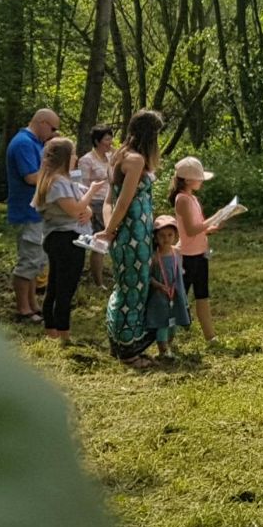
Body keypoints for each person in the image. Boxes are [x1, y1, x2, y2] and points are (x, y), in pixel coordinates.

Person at [97, 108, 166, 370]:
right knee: (135, 291)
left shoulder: (117, 156)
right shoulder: (136, 160)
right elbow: (123, 201)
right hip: (134, 234)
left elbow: (108, 201)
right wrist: (113, 230)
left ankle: (118, 341)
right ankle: (128, 350)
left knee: (124, 287)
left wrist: (109, 229)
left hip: (127, 233)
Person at [35, 136, 93, 340]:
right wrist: (92, 192)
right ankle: (63, 333)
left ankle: (52, 330)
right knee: (64, 288)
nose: (76, 157)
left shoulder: (65, 180)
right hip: (66, 240)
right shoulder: (57, 182)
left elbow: (80, 208)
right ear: (65, 157)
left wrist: (88, 212)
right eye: (74, 153)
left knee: (56, 285)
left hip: (66, 237)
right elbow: (74, 209)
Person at [5, 107, 59, 323]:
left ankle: (33, 306)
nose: (54, 132)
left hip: (37, 213)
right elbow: (31, 177)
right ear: (43, 122)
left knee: (37, 261)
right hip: (27, 212)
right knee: (28, 261)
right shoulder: (23, 143)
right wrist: (58, 176)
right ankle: (23, 310)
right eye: (53, 128)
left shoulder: (35, 142)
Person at [170, 156, 222, 344]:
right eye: (199, 178)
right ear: (187, 180)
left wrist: (208, 228)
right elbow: (191, 230)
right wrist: (214, 218)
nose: (201, 182)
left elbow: (196, 227)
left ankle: (210, 336)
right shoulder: (182, 199)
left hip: (200, 253)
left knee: (203, 295)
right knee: (179, 299)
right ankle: (167, 339)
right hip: (187, 257)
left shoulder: (192, 198)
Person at [144, 214, 191, 354]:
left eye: (170, 235)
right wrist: (158, 285)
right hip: (159, 296)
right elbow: (148, 277)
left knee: (173, 322)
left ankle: (169, 344)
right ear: (156, 237)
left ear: (175, 236)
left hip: (174, 294)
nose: (166, 239)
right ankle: (163, 350)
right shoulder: (153, 257)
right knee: (162, 322)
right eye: (162, 235)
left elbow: (178, 271)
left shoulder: (177, 252)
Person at [78, 126, 115, 288]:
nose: (110, 142)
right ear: (97, 141)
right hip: (96, 203)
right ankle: (98, 282)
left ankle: (111, 275)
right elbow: (81, 186)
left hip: (112, 202)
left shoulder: (111, 157)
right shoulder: (86, 160)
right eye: (107, 139)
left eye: (110, 138)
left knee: (112, 239)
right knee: (99, 242)